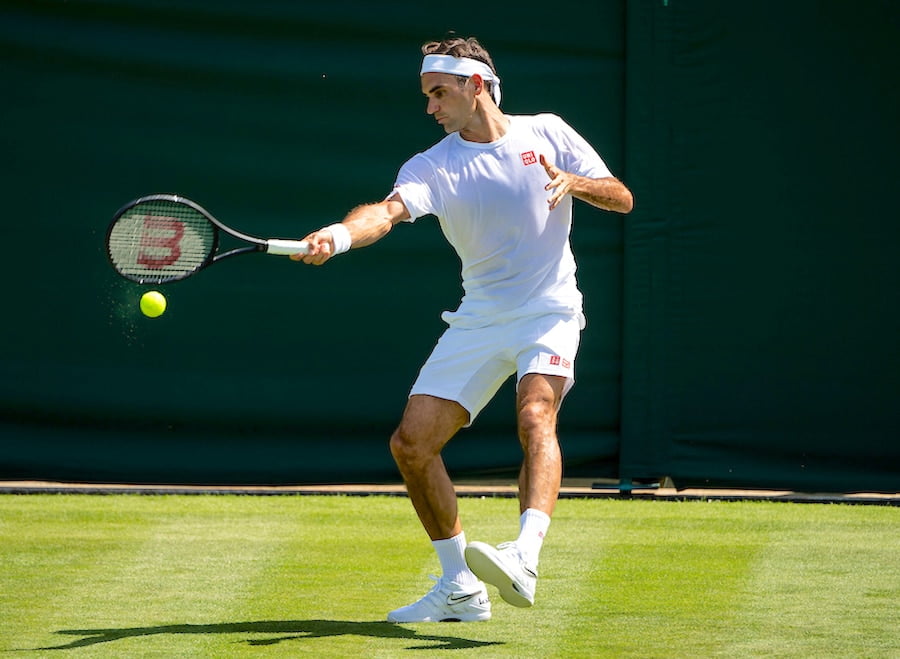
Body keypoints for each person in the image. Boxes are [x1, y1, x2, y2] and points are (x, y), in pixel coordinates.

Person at [292, 36, 633, 622]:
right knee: (412, 444)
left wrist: (575, 182)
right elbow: (386, 212)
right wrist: (341, 235)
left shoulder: (547, 132)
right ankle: (459, 588)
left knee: (535, 415)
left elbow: (622, 198)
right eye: (427, 95)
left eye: (439, 93)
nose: (431, 107)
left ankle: (524, 556)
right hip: (479, 317)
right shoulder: (434, 165)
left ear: (477, 87)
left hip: (549, 308)